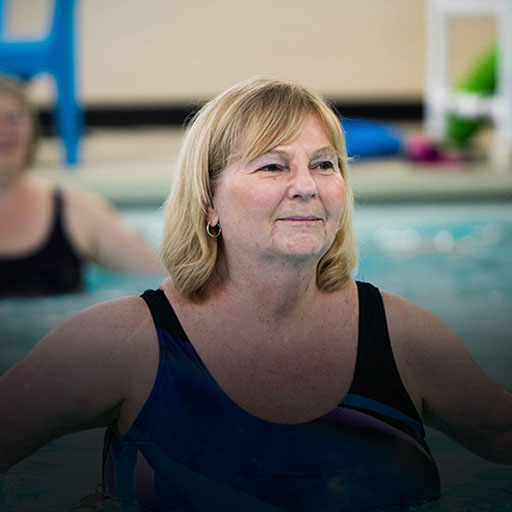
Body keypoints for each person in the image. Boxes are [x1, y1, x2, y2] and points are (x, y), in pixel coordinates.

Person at [0, 77, 510, 511]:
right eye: (273, 166)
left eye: (325, 164)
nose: (307, 186)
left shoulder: (403, 339)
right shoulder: (126, 345)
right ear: (208, 201)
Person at [0, 75, 165, 296]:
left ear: (32, 129)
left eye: (13, 118)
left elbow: (160, 275)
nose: (4, 129)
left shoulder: (75, 210)